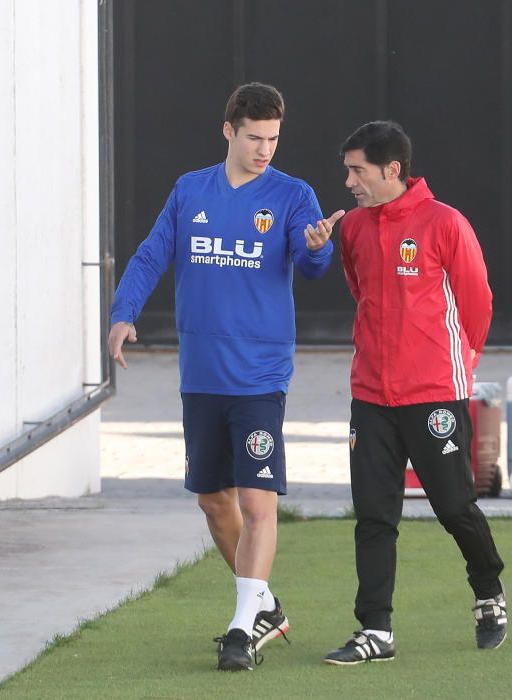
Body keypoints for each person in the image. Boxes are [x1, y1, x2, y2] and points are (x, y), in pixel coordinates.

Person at [108, 82, 344, 672]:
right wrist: (122, 314)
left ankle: (241, 630)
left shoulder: (293, 195)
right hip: (202, 375)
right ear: (229, 132)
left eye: (274, 139)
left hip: (261, 376)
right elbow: (151, 254)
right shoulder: (192, 190)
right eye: (255, 137)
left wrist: (318, 248)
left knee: (258, 500)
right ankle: (262, 604)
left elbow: (312, 264)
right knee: (215, 503)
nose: (266, 149)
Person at [324, 121, 507, 665]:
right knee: (374, 515)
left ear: (392, 169)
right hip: (371, 396)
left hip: (434, 396)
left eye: (357, 170)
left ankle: (489, 593)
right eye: (347, 170)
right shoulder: (353, 228)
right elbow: (362, 293)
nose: (350, 181)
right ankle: (376, 630)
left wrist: (456, 368)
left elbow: (478, 305)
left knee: (454, 506)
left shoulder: (445, 223)